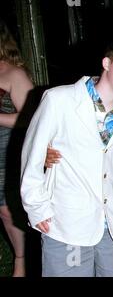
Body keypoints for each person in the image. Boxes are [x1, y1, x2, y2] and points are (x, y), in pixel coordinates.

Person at [21, 41, 113, 277]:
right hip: (68, 222)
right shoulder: (60, 100)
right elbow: (32, 155)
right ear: (106, 63)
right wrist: (36, 208)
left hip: (110, 224)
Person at [0, 18, 34, 277]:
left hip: (6, 153)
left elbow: (32, 118)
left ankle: (21, 260)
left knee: (7, 210)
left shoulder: (13, 74)